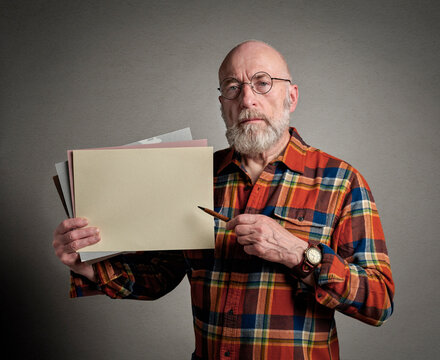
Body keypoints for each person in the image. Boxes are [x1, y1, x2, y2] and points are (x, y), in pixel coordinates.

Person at [53, 40, 394, 359]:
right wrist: (85, 264)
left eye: (262, 83)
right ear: (222, 104)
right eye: (233, 87)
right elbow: (158, 275)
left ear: (291, 97)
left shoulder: (341, 181)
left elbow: (378, 302)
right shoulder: (193, 176)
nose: (247, 100)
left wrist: (296, 253)